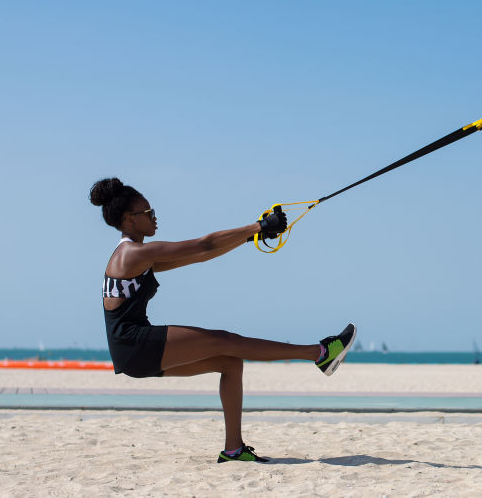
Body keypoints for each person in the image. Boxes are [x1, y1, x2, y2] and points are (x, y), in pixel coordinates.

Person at [89, 177, 356, 463]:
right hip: (134, 345)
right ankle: (321, 353)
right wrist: (258, 226)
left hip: (132, 351)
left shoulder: (138, 254)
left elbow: (204, 255)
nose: (155, 218)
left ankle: (233, 450)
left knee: (229, 361)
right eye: (149, 213)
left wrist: (254, 235)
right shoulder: (132, 253)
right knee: (227, 341)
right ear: (129, 219)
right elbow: (203, 245)